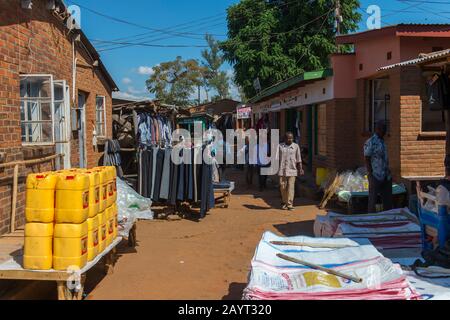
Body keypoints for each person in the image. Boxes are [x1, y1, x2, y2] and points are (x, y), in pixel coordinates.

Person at [364, 120, 393, 213]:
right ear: (377, 129)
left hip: (386, 175)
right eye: (382, 129)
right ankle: (371, 218)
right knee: (373, 199)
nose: (384, 131)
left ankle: (387, 217)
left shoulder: (383, 142)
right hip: (375, 175)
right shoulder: (371, 141)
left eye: (385, 129)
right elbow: (367, 158)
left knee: (387, 199)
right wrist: (370, 174)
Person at [277, 132, 304, 211]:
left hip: (292, 170)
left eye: (291, 138)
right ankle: (284, 202)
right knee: (283, 187)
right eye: (288, 138)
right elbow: (276, 158)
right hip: (282, 170)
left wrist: (301, 169)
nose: (290, 139)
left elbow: (299, 159)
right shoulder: (280, 146)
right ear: (285, 138)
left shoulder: (296, 146)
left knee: (291, 187)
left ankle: (289, 204)